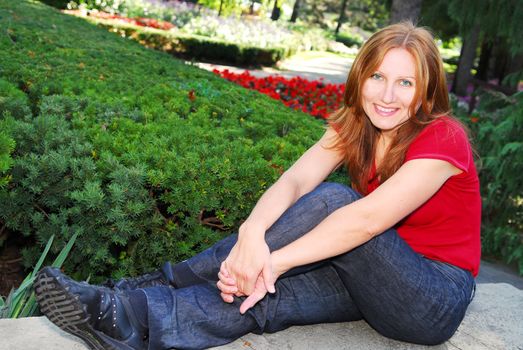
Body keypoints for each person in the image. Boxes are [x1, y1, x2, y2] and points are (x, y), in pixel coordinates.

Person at [34, 21, 480, 350]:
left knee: (333, 203)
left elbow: (364, 221)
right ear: (360, 77)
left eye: (405, 83)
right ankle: (131, 319)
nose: (387, 95)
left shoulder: (444, 138)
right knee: (265, 301)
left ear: (425, 93)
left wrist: (270, 262)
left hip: (431, 299)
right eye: (378, 77)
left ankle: (153, 282)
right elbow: (294, 180)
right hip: (369, 279)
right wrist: (250, 237)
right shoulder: (356, 126)